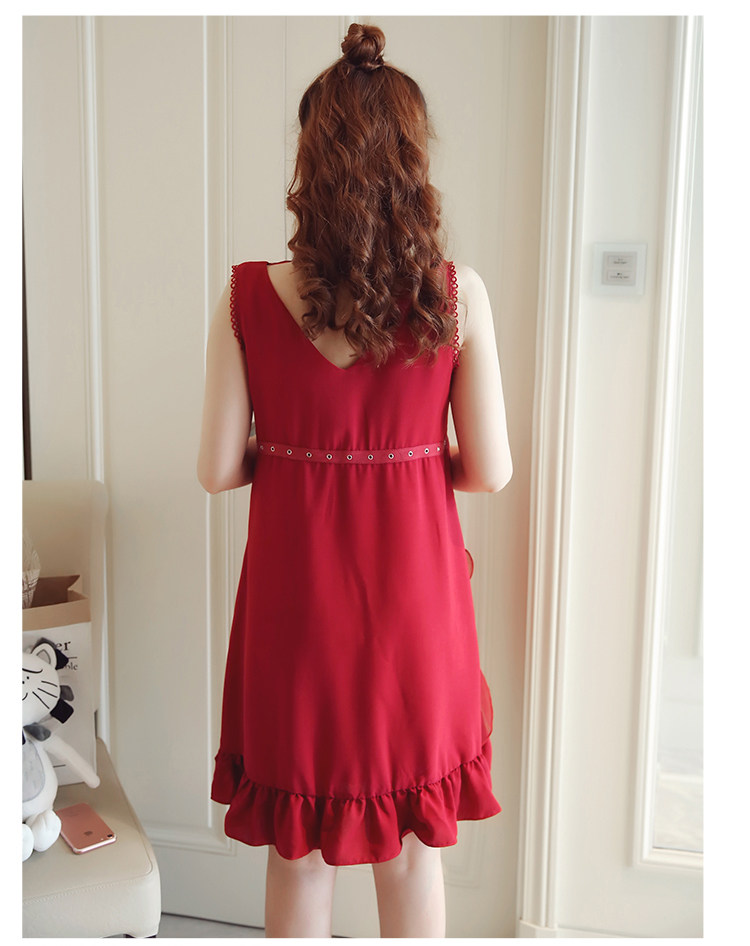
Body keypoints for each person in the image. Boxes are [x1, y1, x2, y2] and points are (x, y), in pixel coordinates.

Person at [197, 22, 512, 939]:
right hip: (415, 610)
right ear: (412, 162)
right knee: (411, 852)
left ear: (310, 160)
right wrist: (404, 461)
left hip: (295, 613)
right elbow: (490, 471)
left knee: (297, 853)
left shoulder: (248, 295)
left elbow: (216, 469)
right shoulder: (457, 295)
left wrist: (300, 456)